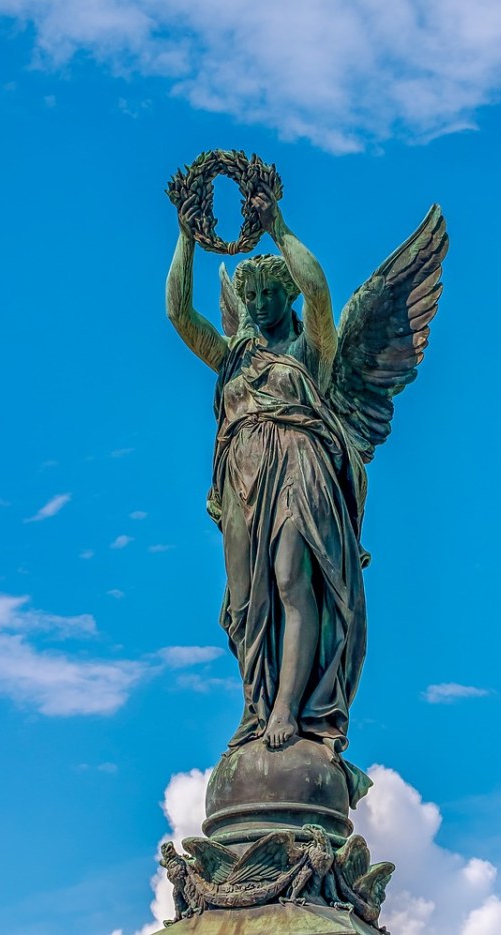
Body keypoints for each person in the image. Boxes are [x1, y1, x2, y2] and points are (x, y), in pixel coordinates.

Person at [166, 190, 368, 756]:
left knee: (289, 579)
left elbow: (321, 292)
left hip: (299, 470)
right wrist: (187, 237)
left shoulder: (309, 351)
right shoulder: (232, 355)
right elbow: (179, 314)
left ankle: (287, 710)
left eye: (266, 293)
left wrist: (277, 227)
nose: (254, 302)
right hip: (241, 480)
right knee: (243, 605)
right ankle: (258, 707)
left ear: (286, 296)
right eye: (247, 294)